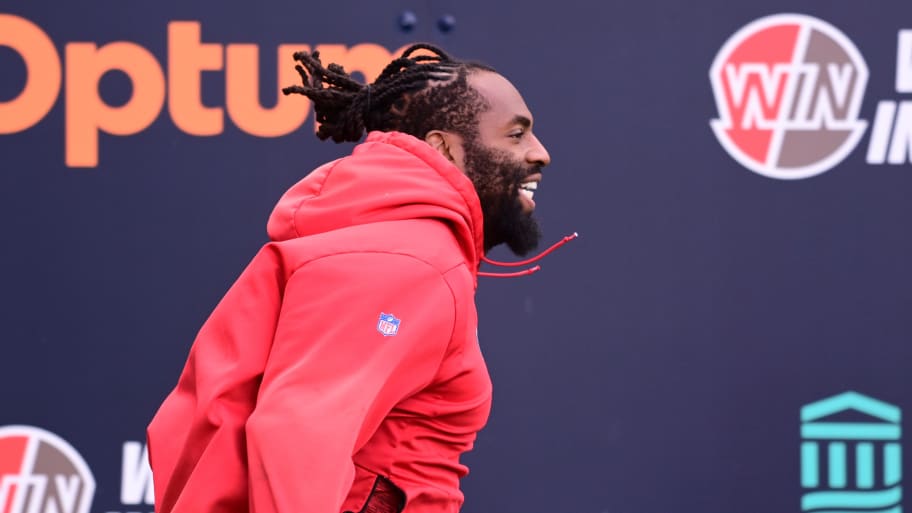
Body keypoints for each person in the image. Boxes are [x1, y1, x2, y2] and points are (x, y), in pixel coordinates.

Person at [146, 43, 572, 513]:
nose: (541, 153)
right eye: (516, 135)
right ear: (444, 148)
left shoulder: (394, 242)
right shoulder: (413, 260)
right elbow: (298, 432)